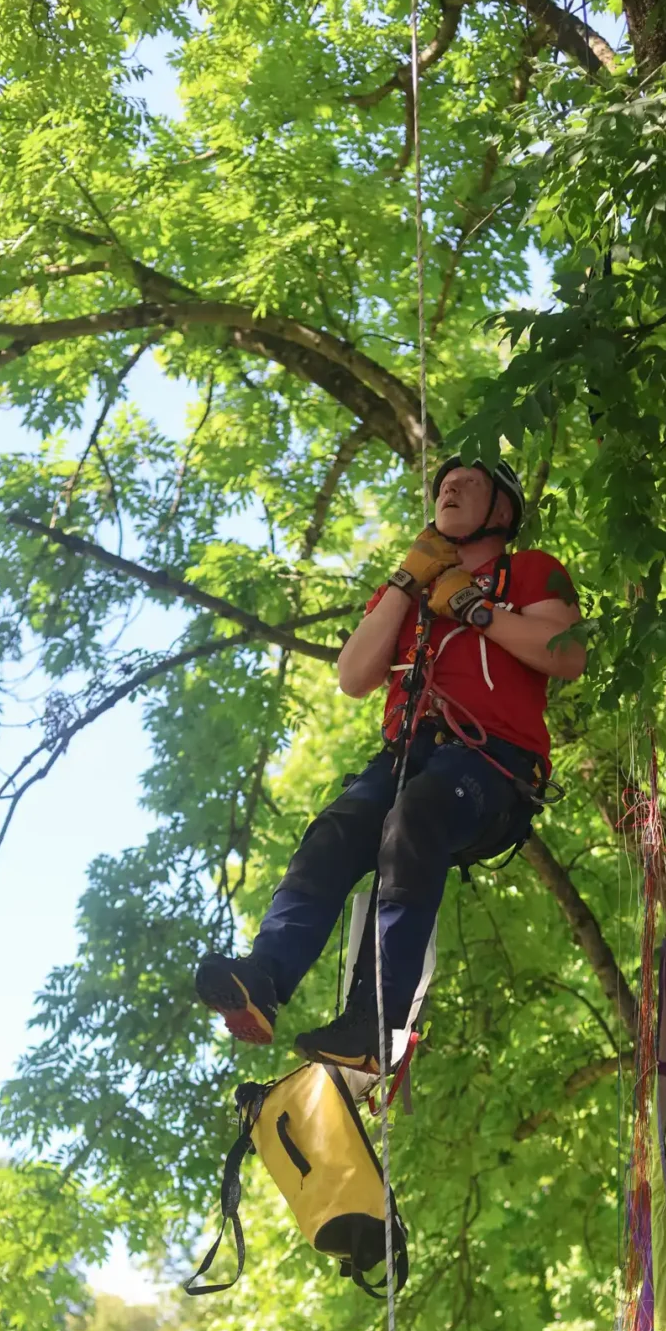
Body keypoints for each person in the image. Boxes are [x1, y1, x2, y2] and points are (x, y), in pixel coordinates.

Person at [195, 459, 585, 1072]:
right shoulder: (406, 590)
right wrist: (406, 583)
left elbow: (564, 654)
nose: (449, 488)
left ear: (502, 512)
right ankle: (265, 977)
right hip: (407, 753)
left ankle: (376, 1024)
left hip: (493, 761)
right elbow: (354, 676)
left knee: (416, 818)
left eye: (470, 485)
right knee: (338, 830)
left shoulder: (530, 572)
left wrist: (477, 609)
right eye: (443, 485)